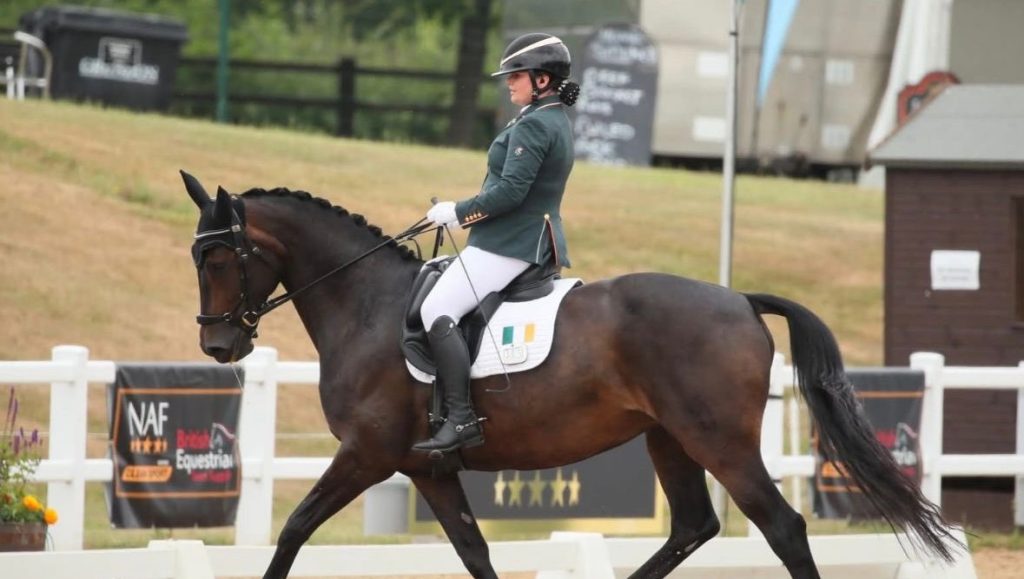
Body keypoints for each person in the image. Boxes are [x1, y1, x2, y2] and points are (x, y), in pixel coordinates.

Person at [412, 33, 581, 455]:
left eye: (516, 76)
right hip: (516, 237)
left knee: (436, 308)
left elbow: (510, 193)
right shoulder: (544, 116)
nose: (509, 83)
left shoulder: (538, 124)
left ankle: (460, 417)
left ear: (542, 80)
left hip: (512, 242)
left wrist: (458, 211)